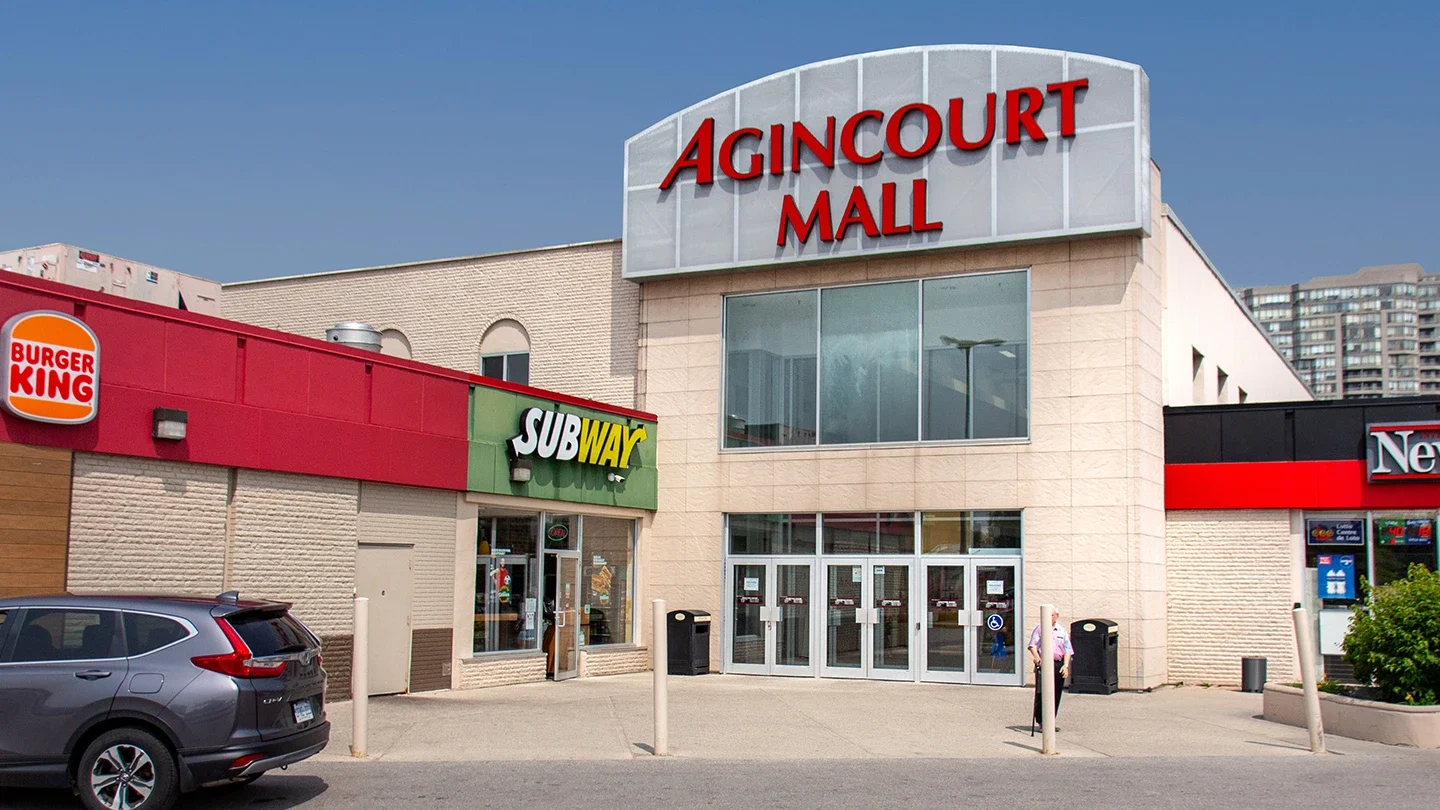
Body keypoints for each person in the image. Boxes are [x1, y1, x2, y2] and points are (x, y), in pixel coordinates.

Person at [1028, 607, 1073, 732]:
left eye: (1052, 615)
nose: (1050, 617)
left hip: (1058, 664)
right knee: (1042, 693)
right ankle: (1042, 721)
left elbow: (1068, 650)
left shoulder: (1061, 631)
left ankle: (1051, 720)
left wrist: (1066, 665)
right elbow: (1032, 645)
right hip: (1044, 664)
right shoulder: (1040, 629)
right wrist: (1036, 657)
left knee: (1056, 693)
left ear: (1056, 616)